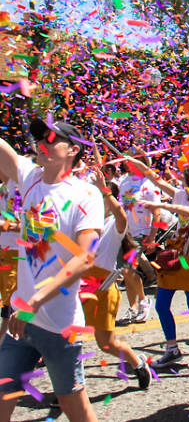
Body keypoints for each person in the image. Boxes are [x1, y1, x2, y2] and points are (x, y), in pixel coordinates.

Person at [0, 119, 104, 422]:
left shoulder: (86, 194)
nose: (41, 143)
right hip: (22, 324)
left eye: (50, 139)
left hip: (60, 327)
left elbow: (84, 258)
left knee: (74, 408)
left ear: (72, 149)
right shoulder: (29, 177)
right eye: (38, 139)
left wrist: (34, 302)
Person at [142, 163, 189, 370]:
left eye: (186, 179)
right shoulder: (179, 194)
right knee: (161, 305)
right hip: (175, 258)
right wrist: (137, 162)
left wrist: (164, 207)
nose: (182, 182)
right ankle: (172, 348)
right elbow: (156, 180)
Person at [84, 169, 151, 389]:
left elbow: (122, 215)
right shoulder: (83, 224)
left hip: (102, 288)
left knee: (106, 344)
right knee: (66, 338)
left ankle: (138, 363)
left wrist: (105, 191)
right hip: (76, 287)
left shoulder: (113, 224)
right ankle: (69, 387)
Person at [116, 152, 161, 326]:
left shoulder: (149, 185)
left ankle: (143, 303)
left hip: (141, 232)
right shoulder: (124, 182)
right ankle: (134, 307)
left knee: (127, 270)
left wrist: (152, 236)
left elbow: (156, 212)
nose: (128, 162)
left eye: (134, 160)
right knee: (126, 272)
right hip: (124, 232)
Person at [0, 176, 20, 342]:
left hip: (16, 254)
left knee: (13, 302)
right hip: (3, 254)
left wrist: (5, 226)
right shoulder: (4, 188)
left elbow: (26, 224)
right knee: (7, 301)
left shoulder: (18, 190)